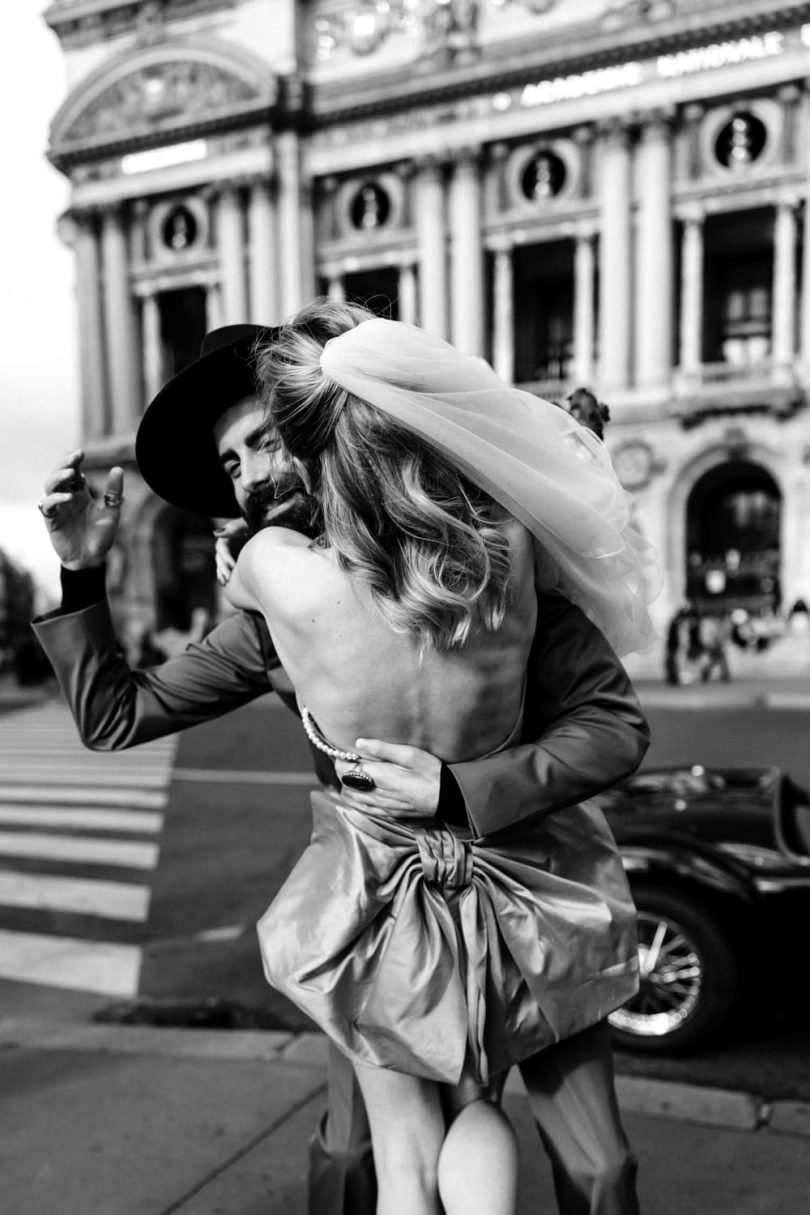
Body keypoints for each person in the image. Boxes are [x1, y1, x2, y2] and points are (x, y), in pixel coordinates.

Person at [34, 321, 653, 1215]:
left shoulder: (473, 565)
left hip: (534, 892)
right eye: (232, 462)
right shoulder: (265, 622)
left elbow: (612, 727)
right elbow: (115, 714)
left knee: (600, 1169)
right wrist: (82, 574)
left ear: (324, 427)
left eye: (263, 441)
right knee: (349, 1153)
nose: (250, 475)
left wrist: (463, 790)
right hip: (373, 911)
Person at [227, 299, 657, 1211]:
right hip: (521, 882)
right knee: (482, 1098)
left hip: (377, 891)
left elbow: (268, 593)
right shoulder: (509, 545)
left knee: (402, 1154)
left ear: (304, 453)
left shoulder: (271, 565)